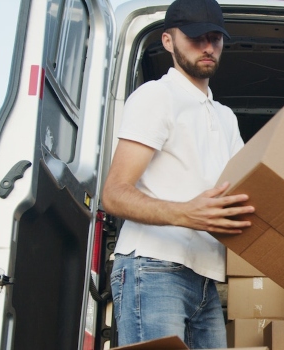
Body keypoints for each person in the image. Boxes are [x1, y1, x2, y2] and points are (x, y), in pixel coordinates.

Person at [101, 0, 252, 347]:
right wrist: (187, 213)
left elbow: (246, 189)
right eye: (196, 37)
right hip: (153, 268)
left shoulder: (225, 116)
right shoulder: (157, 96)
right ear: (168, 41)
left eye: (215, 38)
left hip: (205, 278)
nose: (208, 47)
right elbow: (113, 193)